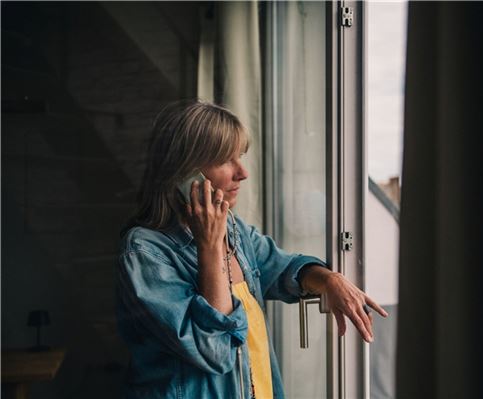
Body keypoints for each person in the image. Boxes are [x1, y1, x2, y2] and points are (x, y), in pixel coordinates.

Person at [116, 100, 387, 399]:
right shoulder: (145, 252)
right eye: (224, 160)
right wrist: (209, 248)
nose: (242, 173)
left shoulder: (234, 229)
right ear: (184, 174)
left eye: (240, 157)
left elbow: (282, 267)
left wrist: (330, 280)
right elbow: (215, 351)